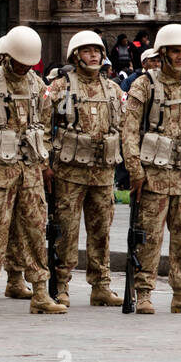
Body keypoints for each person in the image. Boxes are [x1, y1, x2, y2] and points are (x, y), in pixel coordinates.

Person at [0, 25, 66, 314]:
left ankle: (41, 291)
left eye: (28, 63)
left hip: (29, 172)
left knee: (34, 230)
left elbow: (42, 126)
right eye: (19, 62)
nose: (23, 67)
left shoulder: (38, 86)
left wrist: (43, 164)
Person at [121, 23, 181, 313]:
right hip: (153, 176)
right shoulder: (144, 84)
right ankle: (144, 292)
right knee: (149, 237)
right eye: (175, 51)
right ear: (163, 52)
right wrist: (135, 171)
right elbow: (129, 132)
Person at [42, 30, 126, 307]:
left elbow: (125, 126)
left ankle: (101, 284)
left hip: (103, 171)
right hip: (70, 170)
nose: (94, 56)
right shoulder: (61, 87)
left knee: (101, 229)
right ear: (76, 55)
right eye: (88, 51)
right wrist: (46, 163)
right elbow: (42, 124)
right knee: (66, 229)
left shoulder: (113, 89)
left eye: (97, 51)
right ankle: (61, 284)